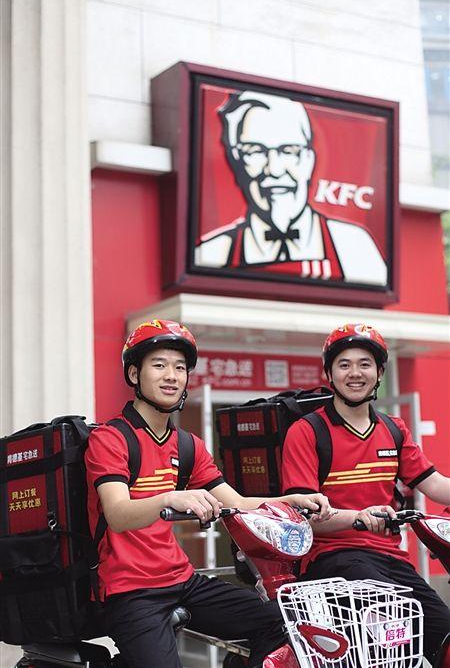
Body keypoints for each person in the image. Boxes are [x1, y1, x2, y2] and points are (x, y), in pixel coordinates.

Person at [85, 318, 333, 668]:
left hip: (182, 580)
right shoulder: (110, 438)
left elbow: (238, 503)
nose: (171, 375)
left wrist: (290, 500)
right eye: (159, 365)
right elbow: (118, 513)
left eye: (180, 367)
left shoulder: (187, 445)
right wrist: (170, 498)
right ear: (133, 375)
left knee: (283, 625)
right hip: (131, 591)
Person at [281, 322, 450, 665]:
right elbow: (303, 518)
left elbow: (434, 484)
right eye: (344, 364)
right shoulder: (306, 431)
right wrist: (357, 517)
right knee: (394, 635)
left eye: (365, 364)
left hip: (391, 559)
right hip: (332, 558)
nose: (354, 373)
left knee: (442, 630)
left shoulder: (393, 429)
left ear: (379, 372)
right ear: (329, 373)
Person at [194, 91, 387, 287]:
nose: (275, 170)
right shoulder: (212, 252)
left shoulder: (355, 247)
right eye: (255, 151)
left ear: (309, 160)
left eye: (289, 151)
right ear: (236, 161)